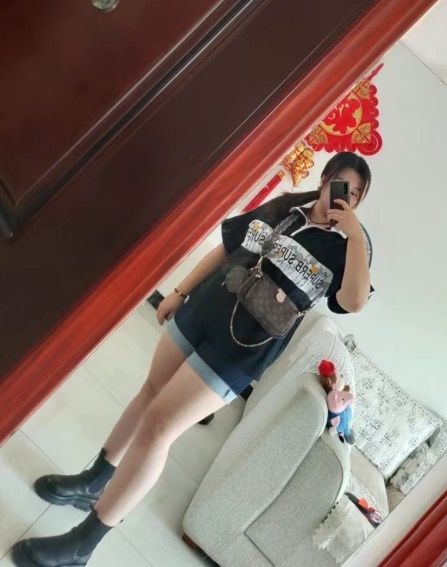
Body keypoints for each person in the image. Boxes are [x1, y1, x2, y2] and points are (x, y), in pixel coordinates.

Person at [12, 152, 374, 567]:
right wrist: (180, 290)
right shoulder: (284, 208)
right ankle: (95, 480)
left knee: (158, 427)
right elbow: (226, 250)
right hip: (204, 309)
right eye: (342, 185)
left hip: (241, 349)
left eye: (356, 194)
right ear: (325, 179)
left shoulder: (346, 250)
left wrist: (355, 236)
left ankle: (82, 544)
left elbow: (353, 301)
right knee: (150, 392)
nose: (346, 197)